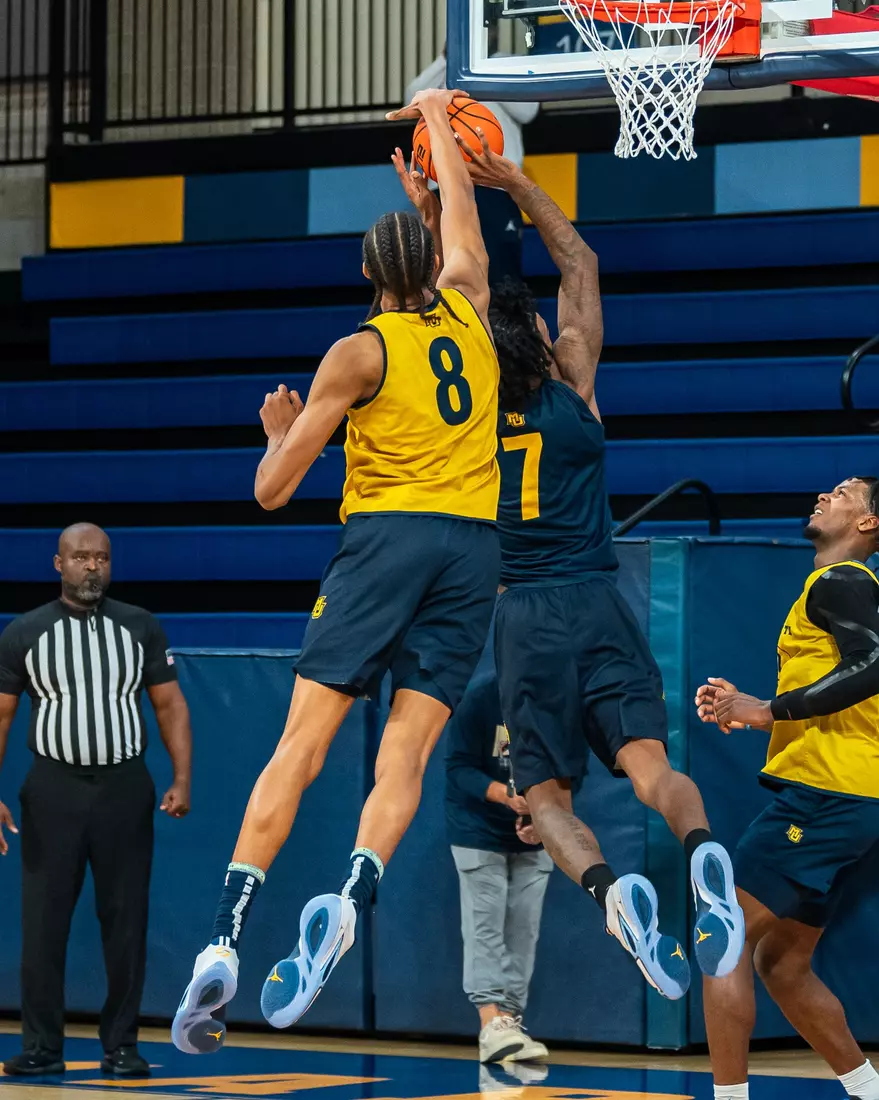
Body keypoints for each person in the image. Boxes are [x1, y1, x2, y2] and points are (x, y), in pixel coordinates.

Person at [171, 87, 501, 1055]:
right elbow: (465, 222)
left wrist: (278, 435)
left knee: (301, 745)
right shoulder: (474, 307)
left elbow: (272, 492)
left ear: (365, 273)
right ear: (434, 265)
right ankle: (353, 894)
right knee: (407, 752)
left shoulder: (357, 353)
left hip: (388, 540)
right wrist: (436, 119)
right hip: (473, 550)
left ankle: (224, 937)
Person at [451, 132, 745, 1002]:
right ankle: (702, 853)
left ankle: (613, 895)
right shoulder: (572, 387)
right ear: (540, 342)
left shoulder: (464, 424)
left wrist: (436, 211)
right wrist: (514, 183)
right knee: (653, 770)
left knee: (545, 800)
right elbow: (578, 260)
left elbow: (445, 314)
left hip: (524, 616)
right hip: (597, 598)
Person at [695, 476, 879, 1100]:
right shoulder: (840, 587)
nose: (826, 495)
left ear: (869, 523)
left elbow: (873, 665)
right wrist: (747, 709)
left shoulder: (841, 580)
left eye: (845, 493)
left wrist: (767, 709)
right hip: (851, 797)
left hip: (829, 795)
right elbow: (848, 694)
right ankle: (867, 1089)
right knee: (782, 962)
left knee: (721, 940)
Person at [0, 523, 192, 1079]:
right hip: (51, 790)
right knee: (43, 923)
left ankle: (122, 1046)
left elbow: (170, 706)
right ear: (58, 564)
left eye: (101, 558)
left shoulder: (140, 626)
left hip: (124, 788)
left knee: (126, 921)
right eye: (81, 557)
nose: (92, 567)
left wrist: (182, 777)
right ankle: (41, 1046)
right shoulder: (25, 632)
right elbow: (2, 715)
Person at [446, 667, 552, 1064]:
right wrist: (506, 796)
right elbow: (458, 768)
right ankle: (490, 1023)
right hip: (477, 831)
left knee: (524, 929)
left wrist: (544, 818)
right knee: (485, 927)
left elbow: (572, 769)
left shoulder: (559, 700)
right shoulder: (479, 698)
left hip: (538, 830)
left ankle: (509, 1022)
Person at [404, 47, 538, 284]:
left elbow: (529, 111)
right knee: (447, 274)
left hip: (496, 186)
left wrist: (483, 71)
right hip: (445, 188)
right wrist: (447, 59)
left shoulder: (506, 65)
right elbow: (409, 100)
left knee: (502, 277)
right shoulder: (446, 69)